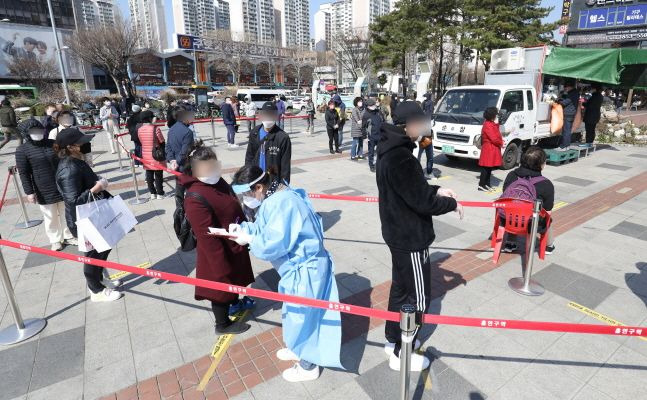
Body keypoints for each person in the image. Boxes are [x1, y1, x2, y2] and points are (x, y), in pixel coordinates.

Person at [228, 165, 342, 382]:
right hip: (297, 269)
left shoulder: (282, 202)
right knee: (294, 312)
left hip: (305, 269)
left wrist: (250, 239)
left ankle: (308, 366)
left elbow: (274, 242)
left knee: (303, 316)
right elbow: (266, 227)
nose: (245, 200)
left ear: (259, 187)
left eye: (246, 194)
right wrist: (246, 229)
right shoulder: (278, 194)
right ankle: (297, 348)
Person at [376, 101, 464, 372]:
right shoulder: (402, 157)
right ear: (409, 125)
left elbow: (413, 189)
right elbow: (422, 201)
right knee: (419, 297)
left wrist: (436, 189)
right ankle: (403, 352)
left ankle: (393, 341)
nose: (425, 126)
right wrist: (451, 204)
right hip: (410, 237)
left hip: (397, 233)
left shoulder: (391, 149)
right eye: (422, 121)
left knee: (400, 290)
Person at [180, 143, 255, 334]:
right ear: (194, 170)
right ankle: (222, 324)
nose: (213, 171)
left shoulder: (215, 180)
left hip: (234, 241)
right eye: (207, 168)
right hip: (217, 250)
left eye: (214, 166)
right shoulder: (194, 196)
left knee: (235, 278)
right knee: (220, 286)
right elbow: (207, 238)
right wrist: (220, 264)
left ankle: (235, 303)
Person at [54, 128, 122, 302]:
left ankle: (100, 278)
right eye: (82, 142)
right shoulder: (68, 168)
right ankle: (96, 290)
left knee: (104, 248)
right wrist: (97, 187)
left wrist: (94, 181)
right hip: (83, 220)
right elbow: (74, 200)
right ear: (71, 147)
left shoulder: (77, 160)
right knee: (93, 255)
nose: (86, 144)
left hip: (94, 214)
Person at [15, 119, 75, 251]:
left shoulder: (52, 143)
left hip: (62, 183)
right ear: (26, 133)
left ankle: (68, 235)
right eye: (33, 131)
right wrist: (29, 192)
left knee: (67, 211)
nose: (37, 133)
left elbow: (64, 160)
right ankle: (55, 239)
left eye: (39, 130)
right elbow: (24, 173)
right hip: (43, 187)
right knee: (50, 215)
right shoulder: (22, 150)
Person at [501, 145, 555, 254]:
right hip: (531, 224)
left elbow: (505, 194)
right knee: (548, 219)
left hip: (507, 219)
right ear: (541, 165)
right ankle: (548, 246)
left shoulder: (511, 175)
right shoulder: (546, 184)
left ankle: (510, 242)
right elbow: (547, 211)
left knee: (515, 205)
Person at [245, 102, 292, 183]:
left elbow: (285, 166)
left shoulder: (283, 137)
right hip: (256, 179)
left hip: (272, 181)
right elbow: (249, 156)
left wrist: (283, 185)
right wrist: (247, 175)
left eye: (271, 114)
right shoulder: (255, 132)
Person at [166, 108, 195, 204]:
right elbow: (185, 151)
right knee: (190, 189)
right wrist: (177, 162)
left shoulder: (171, 129)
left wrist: (171, 160)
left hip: (175, 164)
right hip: (185, 164)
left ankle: (179, 210)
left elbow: (168, 146)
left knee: (179, 189)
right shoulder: (188, 132)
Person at [138, 110, 166, 199]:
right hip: (156, 154)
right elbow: (162, 141)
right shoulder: (155, 128)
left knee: (149, 174)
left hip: (145, 154)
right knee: (158, 175)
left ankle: (152, 193)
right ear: (150, 118)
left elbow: (141, 141)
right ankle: (160, 193)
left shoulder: (140, 129)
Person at [478, 107, 504, 191]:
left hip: (491, 148)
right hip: (488, 149)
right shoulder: (488, 125)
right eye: (496, 114)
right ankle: (481, 185)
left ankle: (487, 184)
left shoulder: (490, 123)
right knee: (486, 168)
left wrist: (497, 123)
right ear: (492, 115)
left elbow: (495, 132)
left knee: (489, 168)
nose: (497, 116)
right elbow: (494, 138)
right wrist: (501, 143)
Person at [362, 98, 384, 173]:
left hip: (380, 135)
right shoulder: (366, 115)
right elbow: (363, 127)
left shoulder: (378, 112)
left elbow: (383, 121)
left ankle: (379, 164)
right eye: (372, 105)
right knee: (371, 152)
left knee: (380, 151)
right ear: (368, 106)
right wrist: (364, 137)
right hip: (371, 137)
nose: (374, 106)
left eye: (374, 104)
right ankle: (371, 165)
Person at [557, 81, 580, 150]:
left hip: (568, 113)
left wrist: (558, 101)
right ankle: (567, 145)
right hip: (572, 113)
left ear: (570, 87)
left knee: (566, 130)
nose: (565, 89)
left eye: (566, 87)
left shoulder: (572, 94)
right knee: (568, 130)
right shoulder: (575, 92)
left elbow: (565, 103)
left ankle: (564, 146)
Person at [418, 93, 435, 179]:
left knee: (420, 154)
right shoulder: (429, 103)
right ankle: (428, 172)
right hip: (425, 132)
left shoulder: (423, 104)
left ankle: (422, 171)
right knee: (428, 154)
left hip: (424, 133)